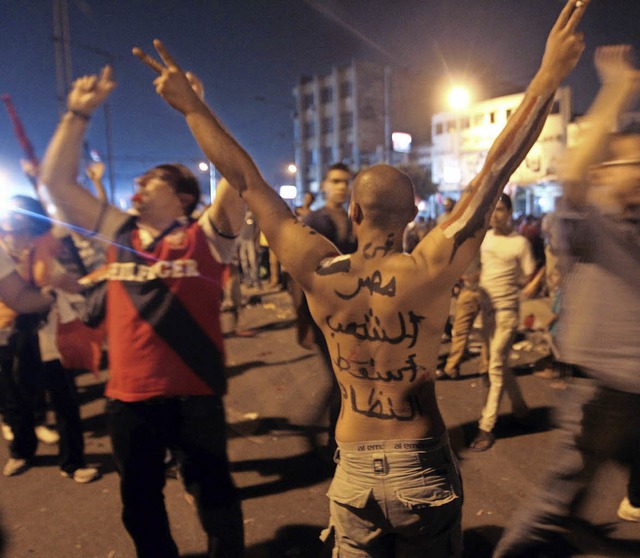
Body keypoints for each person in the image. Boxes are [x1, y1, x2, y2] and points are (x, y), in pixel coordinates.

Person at [134, 1, 587, 554]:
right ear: (415, 215)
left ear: (352, 214)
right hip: (421, 459)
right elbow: (496, 170)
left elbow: (246, 181)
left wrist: (193, 109)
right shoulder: (431, 266)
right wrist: (546, 76)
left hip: (353, 466)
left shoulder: (319, 267)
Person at [38, 68, 246, 557]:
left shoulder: (209, 236)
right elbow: (56, 183)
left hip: (194, 395)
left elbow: (238, 175)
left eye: (151, 180)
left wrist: (197, 108)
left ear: (183, 198)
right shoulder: (121, 232)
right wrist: (78, 113)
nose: (137, 183)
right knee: (139, 505)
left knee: (214, 498)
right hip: (128, 398)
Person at [493, 44, 640, 556]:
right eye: (630, 162)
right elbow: (574, 177)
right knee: (554, 504)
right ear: (606, 172)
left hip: (632, 391)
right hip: (600, 393)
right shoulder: (591, 225)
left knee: (567, 507)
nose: (639, 170)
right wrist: (618, 89)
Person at [468, 192, 538, 451]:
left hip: (508, 312)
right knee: (500, 365)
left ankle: (486, 426)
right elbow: (478, 270)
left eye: (500, 210)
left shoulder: (520, 243)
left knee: (495, 363)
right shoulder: (484, 240)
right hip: (486, 311)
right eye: (492, 210)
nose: (495, 215)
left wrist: (531, 285)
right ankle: (520, 409)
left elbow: (531, 273)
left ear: (509, 213)